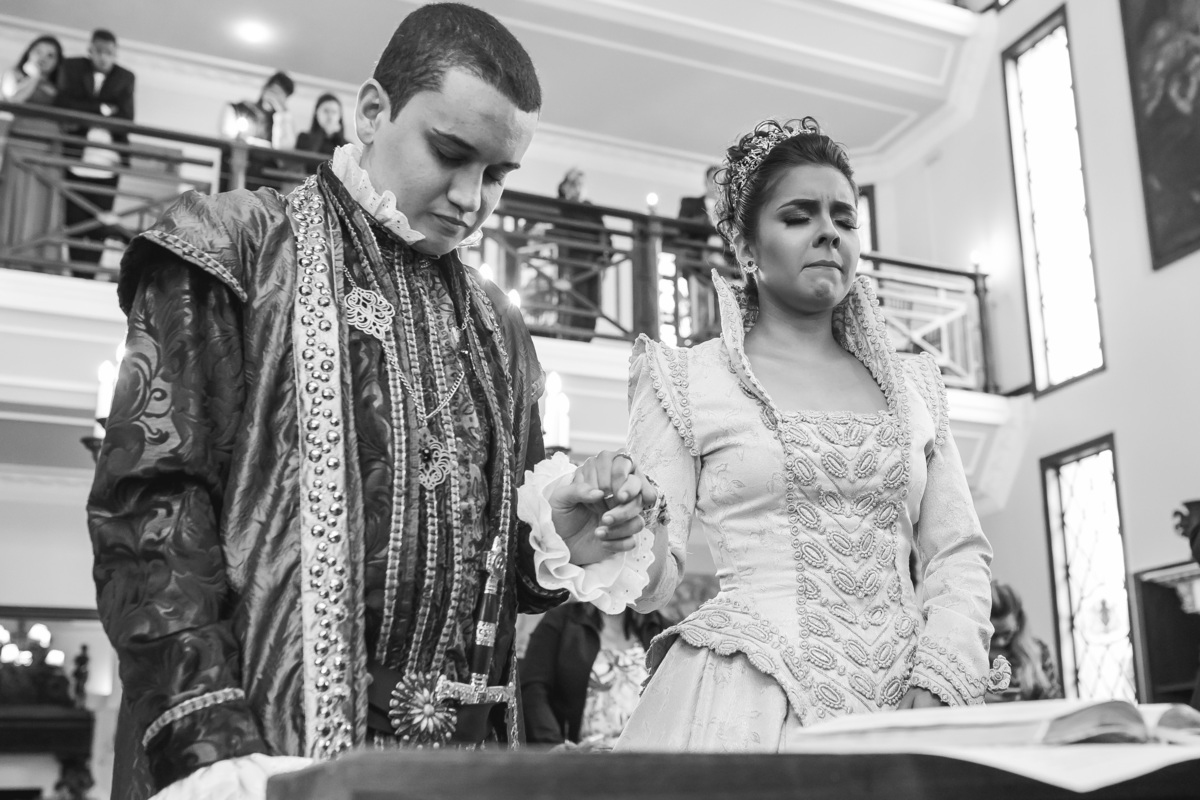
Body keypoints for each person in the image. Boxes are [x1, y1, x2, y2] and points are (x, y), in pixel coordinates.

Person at [87, 5, 660, 799]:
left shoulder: (500, 325)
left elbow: (504, 584)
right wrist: (206, 738)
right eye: (450, 153)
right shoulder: (236, 248)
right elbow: (151, 507)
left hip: (466, 769)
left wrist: (561, 540)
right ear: (371, 111)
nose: (471, 198)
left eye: (497, 175)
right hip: (264, 754)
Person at [613, 117, 1008, 752]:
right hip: (746, 700)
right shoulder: (686, 379)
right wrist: (627, 530)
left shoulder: (914, 386)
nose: (829, 230)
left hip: (911, 704)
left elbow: (958, 552)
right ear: (746, 245)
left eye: (845, 219)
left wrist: (942, 671)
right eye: (798, 216)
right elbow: (654, 582)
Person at [521, 603, 667, 748]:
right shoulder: (563, 620)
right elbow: (533, 687)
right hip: (583, 757)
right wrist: (551, 744)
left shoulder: (659, 627)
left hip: (646, 755)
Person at [54, 28, 135, 270]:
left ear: (115, 53)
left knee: (101, 221)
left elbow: (126, 117)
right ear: (90, 50)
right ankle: (76, 270)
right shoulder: (72, 67)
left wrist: (87, 110)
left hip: (109, 162)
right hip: (76, 157)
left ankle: (90, 272)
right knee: (74, 219)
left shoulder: (125, 77)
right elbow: (64, 103)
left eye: (109, 53)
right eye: (99, 51)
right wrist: (102, 110)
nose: (103, 57)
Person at [0, 34, 65, 269]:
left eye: (51, 55)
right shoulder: (14, 75)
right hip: (21, 145)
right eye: (39, 51)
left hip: (50, 148)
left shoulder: (60, 87)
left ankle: (41, 260)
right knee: (18, 195)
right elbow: (13, 100)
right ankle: (11, 255)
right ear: (29, 52)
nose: (44, 58)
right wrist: (34, 77)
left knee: (43, 203)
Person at [546, 167, 608, 341]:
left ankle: (586, 336)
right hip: (570, 264)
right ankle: (568, 334)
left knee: (590, 304)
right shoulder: (561, 208)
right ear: (565, 186)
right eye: (574, 184)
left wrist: (604, 258)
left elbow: (604, 237)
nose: (578, 188)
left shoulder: (591, 210)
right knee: (570, 302)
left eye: (581, 184)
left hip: (591, 265)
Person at [219, 71, 297, 190]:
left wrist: (282, 115)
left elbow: (284, 152)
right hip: (237, 171)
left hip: (265, 180)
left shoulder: (281, 122)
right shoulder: (242, 109)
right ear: (265, 89)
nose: (275, 96)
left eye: (281, 95)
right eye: (273, 91)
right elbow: (227, 136)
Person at [987, 581, 1062, 702]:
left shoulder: (1039, 652)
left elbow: (1055, 701)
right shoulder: (969, 659)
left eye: (1007, 633)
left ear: (1019, 623)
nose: (1000, 642)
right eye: (993, 635)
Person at [295, 92, 350, 158]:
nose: (330, 116)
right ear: (316, 113)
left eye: (334, 112)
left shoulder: (347, 146)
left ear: (340, 116)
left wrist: (338, 138)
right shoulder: (303, 138)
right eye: (326, 111)